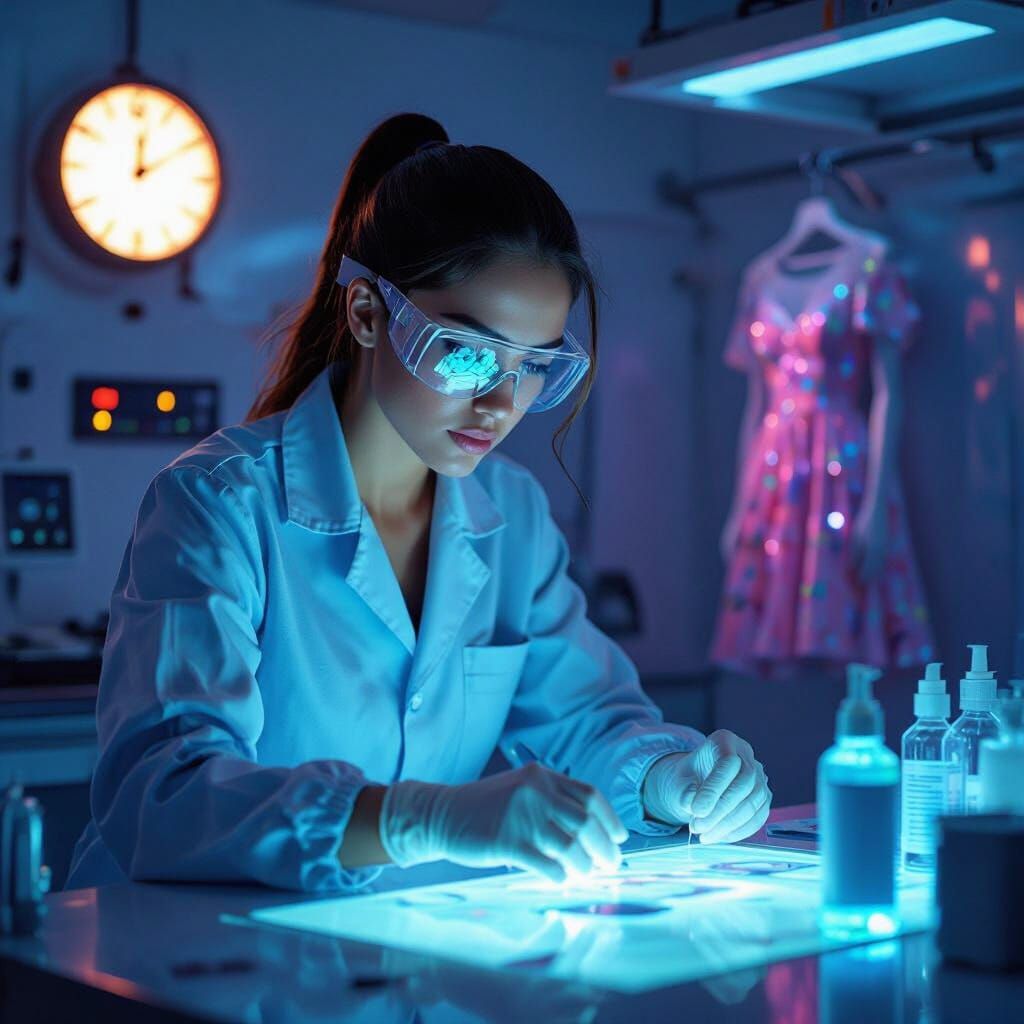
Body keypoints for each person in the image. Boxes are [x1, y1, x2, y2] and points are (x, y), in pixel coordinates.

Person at [66, 113, 771, 894]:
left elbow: (584, 719)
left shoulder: (513, 517)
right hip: (179, 951)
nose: (502, 404)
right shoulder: (219, 502)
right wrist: (418, 819)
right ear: (369, 314)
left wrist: (670, 778)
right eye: (469, 352)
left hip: (384, 951)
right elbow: (163, 794)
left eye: (535, 365)